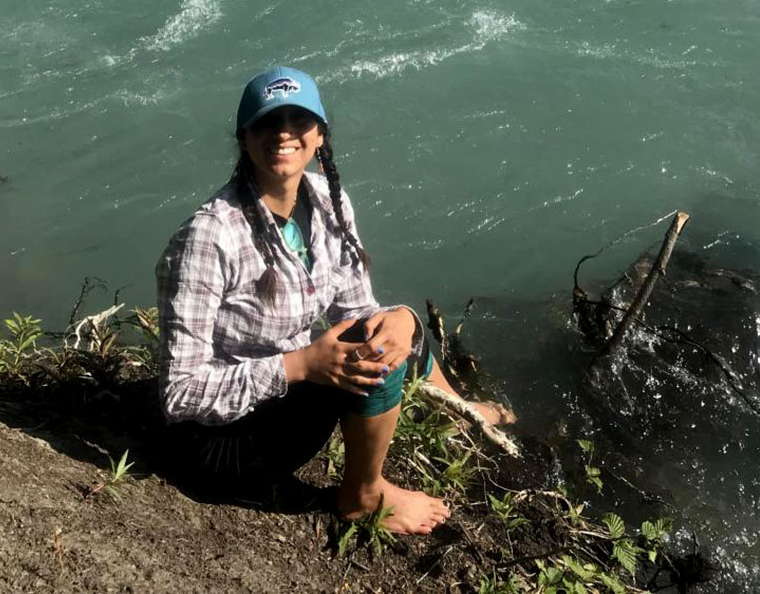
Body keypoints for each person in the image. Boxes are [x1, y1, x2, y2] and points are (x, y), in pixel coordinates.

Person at [156, 63, 514, 535]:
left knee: (391, 328)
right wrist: (301, 365)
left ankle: (459, 415)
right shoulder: (209, 237)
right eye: (267, 122)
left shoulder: (328, 200)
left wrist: (404, 320)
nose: (283, 133)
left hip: (282, 402)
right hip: (218, 445)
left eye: (298, 120)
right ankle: (362, 497)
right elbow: (180, 396)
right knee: (372, 357)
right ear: (244, 138)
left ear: (320, 135)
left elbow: (357, 310)